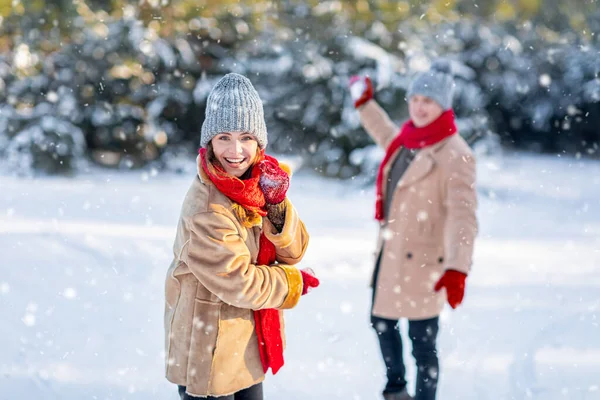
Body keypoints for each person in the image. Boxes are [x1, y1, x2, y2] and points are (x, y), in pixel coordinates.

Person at [164, 73, 320, 400]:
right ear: (209, 142)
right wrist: (291, 282)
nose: (235, 151)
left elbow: (294, 251)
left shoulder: (258, 186)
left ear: (259, 142)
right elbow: (239, 281)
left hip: (243, 343)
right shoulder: (207, 206)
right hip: (209, 352)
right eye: (224, 137)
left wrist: (276, 206)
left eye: (246, 137)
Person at [348, 60, 478, 400]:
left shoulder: (455, 154)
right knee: (381, 323)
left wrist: (457, 268)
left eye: (429, 101)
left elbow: (463, 217)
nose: (420, 107)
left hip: (425, 263)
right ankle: (396, 390)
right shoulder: (408, 139)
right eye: (416, 99)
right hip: (391, 254)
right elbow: (384, 132)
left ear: (443, 106)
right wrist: (364, 104)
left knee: (422, 345)